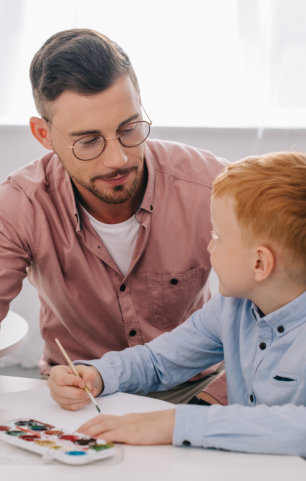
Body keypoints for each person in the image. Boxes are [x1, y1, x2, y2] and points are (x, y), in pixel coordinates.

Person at [0, 28, 225, 403]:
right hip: (77, 396)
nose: (117, 158)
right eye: (88, 141)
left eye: (129, 129)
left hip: (196, 389)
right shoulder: (18, 205)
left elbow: (278, 311)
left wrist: (213, 403)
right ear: (44, 134)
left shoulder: (211, 185)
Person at [48, 151, 306, 456]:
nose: (209, 245)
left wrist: (175, 423)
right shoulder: (231, 306)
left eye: (217, 236)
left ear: (260, 263)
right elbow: (162, 360)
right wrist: (98, 375)